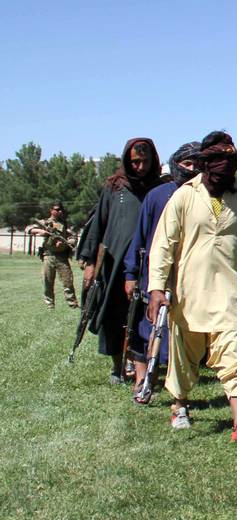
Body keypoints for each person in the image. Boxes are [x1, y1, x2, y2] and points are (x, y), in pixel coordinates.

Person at [145, 132, 237, 443]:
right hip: (189, 294)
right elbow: (163, 245)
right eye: (218, 162)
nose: (225, 168)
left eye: (231, 162)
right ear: (205, 165)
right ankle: (180, 405)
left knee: (235, 355)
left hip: (230, 293)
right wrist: (157, 288)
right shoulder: (185, 196)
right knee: (184, 356)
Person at [77, 138, 165, 384]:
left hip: (146, 264)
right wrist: (90, 262)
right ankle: (117, 366)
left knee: (142, 317)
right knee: (113, 316)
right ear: (128, 160)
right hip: (113, 264)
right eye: (135, 162)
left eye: (145, 161)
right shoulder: (115, 187)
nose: (140, 167)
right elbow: (99, 224)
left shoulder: (158, 189)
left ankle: (143, 367)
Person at [123, 141, 202, 403]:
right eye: (187, 163)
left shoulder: (207, 197)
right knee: (147, 331)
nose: (192, 169)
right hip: (155, 276)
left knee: (179, 338)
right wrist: (131, 273)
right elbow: (140, 237)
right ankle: (142, 380)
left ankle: (177, 391)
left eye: (197, 164)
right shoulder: (157, 196)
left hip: (190, 279)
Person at [26, 201, 79, 309]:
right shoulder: (45, 222)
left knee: (68, 281)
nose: (59, 211)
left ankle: (72, 304)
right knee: (47, 282)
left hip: (62, 256)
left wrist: (69, 242)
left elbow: (73, 236)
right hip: (48, 256)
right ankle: (49, 305)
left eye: (60, 209)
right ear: (51, 210)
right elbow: (28, 229)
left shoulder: (64, 224)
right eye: (57, 209)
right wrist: (41, 231)